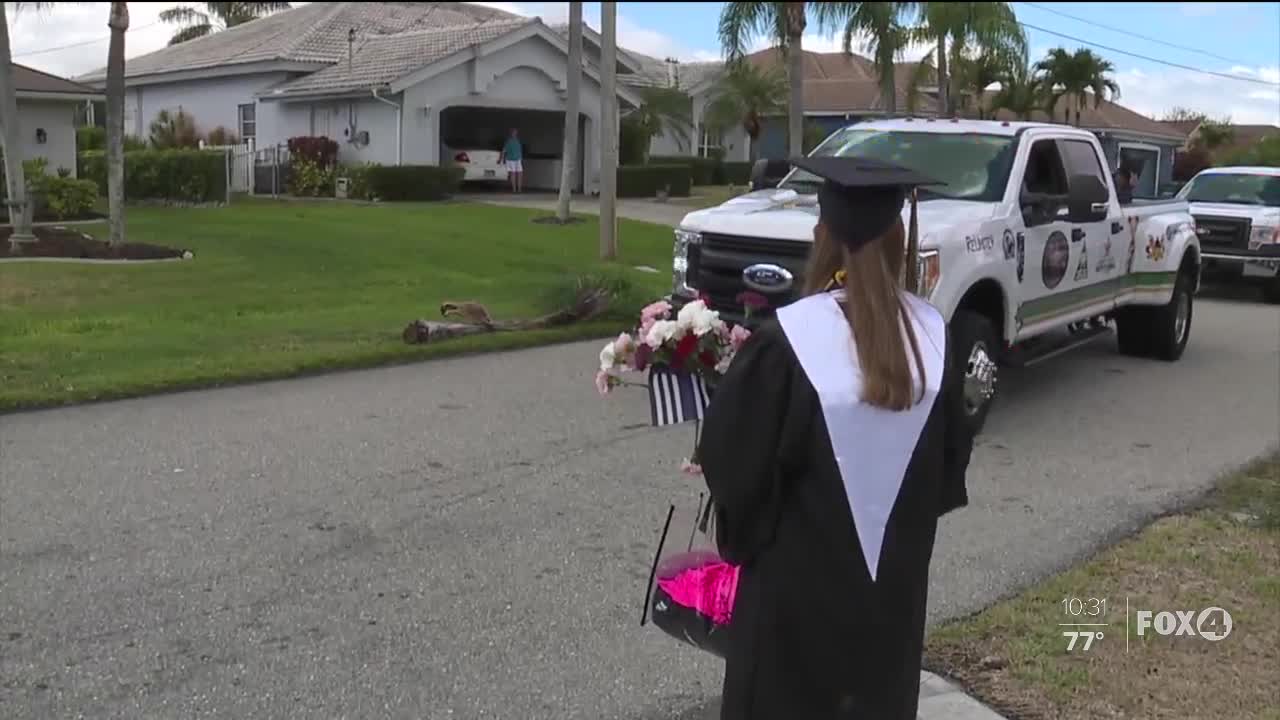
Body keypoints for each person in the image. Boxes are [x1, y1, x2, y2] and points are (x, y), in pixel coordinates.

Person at [697, 156, 974, 720]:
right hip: (889, 606)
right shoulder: (933, 339)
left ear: (821, 236)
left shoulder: (787, 343)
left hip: (791, 613)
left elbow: (733, 471)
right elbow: (946, 476)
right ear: (901, 241)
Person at [500, 128, 523, 193]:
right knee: (513, 173)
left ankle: (519, 189)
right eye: (513, 132)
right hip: (510, 159)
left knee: (520, 173)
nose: (515, 134)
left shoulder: (518, 141)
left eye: (516, 132)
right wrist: (502, 159)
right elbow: (504, 151)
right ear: (511, 133)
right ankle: (514, 189)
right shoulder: (508, 141)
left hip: (518, 159)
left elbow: (519, 151)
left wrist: (521, 158)